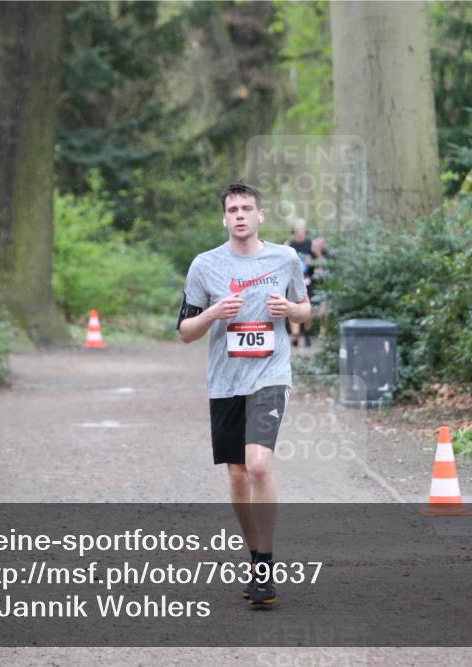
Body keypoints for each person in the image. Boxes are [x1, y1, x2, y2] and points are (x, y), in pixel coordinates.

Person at [176, 182, 311, 608]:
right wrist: (215, 312)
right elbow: (184, 332)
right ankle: (255, 558)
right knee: (236, 475)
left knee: (257, 465)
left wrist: (290, 311)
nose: (239, 215)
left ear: (260, 215)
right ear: (224, 218)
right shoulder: (205, 265)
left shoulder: (285, 258)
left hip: (269, 376)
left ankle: (266, 565)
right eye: (232, 209)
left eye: (246, 208)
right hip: (225, 382)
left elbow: (305, 309)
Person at [285, 220, 314, 347]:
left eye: (302, 230)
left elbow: (321, 262)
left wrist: (311, 261)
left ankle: (307, 334)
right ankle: (295, 334)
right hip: (292, 281)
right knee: (293, 307)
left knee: (308, 309)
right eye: (297, 230)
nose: (300, 233)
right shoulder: (289, 245)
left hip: (308, 281)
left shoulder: (311, 244)